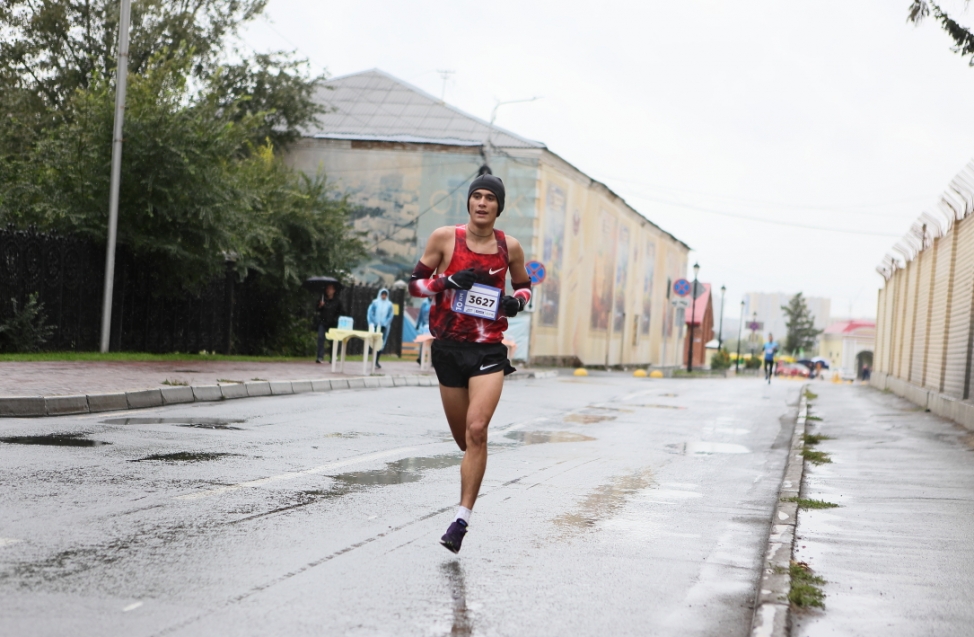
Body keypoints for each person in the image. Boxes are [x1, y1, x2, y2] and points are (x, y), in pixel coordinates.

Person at [408, 171, 531, 554]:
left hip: (488, 348)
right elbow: (414, 284)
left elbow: (524, 285)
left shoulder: (509, 247)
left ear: (498, 206)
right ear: (469, 203)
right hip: (448, 348)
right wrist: (447, 282)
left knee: (478, 430)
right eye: (476, 196)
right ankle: (471, 477)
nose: (482, 202)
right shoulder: (445, 238)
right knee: (465, 440)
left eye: (489, 198)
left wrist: (518, 302)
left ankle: (461, 520)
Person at [315, 284, 344, 364]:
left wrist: (336, 319)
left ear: (334, 290)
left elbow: (341, 312)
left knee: (333, 340)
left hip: (333, 323)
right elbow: (317, 309)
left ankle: (333, 356)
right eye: (327, 288)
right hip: (323, 321)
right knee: (321, 338)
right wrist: (320, 306)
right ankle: (320, 356)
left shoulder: (337, 301)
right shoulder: (322, 299)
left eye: (330, 289)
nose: (328, 290)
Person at [367, 288, 395, 369]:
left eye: (385, 294)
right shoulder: (375, 302)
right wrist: (374, 322)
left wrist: (385, 323)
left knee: (381, 343)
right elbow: (370, 313)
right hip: (376, 325)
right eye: (382, 294)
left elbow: (390, 315)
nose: (384, 296)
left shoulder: (389, 304)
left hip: (384, 327)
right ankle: (373, 359)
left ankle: (376, 360)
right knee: (373, 342)